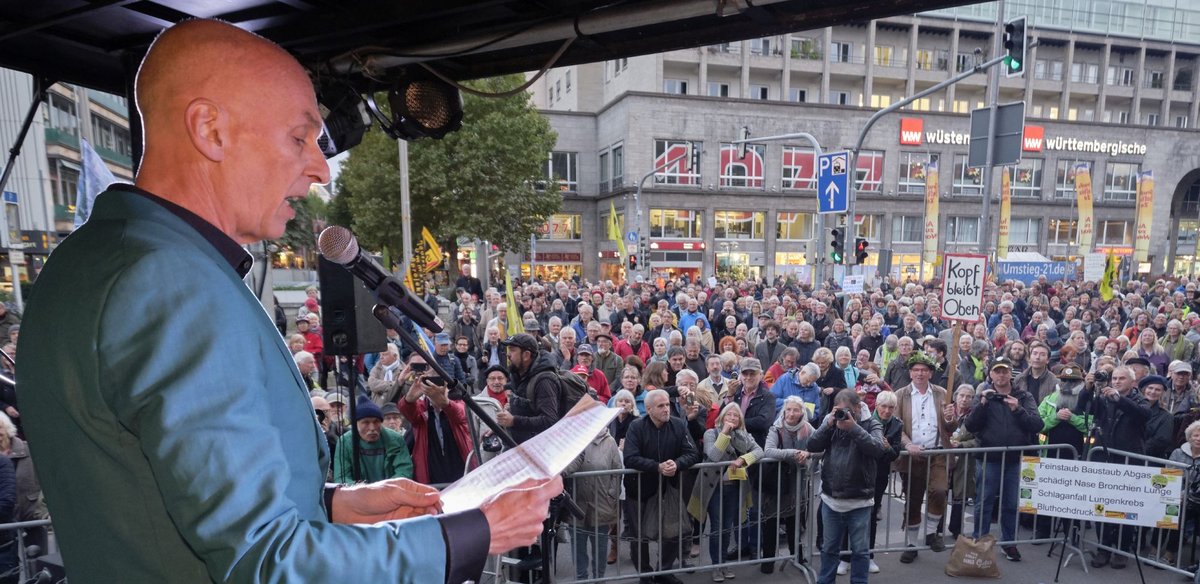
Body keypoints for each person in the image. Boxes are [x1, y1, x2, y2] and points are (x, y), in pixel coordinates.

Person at [16, 19, 560, 583]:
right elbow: (269, 563)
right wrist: (473, 533)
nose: (320, 169)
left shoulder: (83, 261)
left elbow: (151, 491)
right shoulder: (172, 283)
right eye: (298, 138)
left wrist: (331, 504)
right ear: (210, 129)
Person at [964, 357, 1041, 563]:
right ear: (991, 375)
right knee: (984, 502)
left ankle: (1009, 543)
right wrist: (982, 404)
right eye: (997, 371)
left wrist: (1018, 410)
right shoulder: (984, 396)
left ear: (1010, 374)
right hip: (989, 459)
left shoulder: (1024, 396)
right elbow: (970, 425)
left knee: (1011, 503)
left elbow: (1037, 424)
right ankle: (979, 542)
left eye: (1004, 371)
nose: (1001, 375)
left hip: (1015, 460)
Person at [806, 389, 887, 584]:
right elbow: (812, 445)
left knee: (860, 551)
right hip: (831, 499)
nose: (844, 414)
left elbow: (877, 449)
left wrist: (853, 428)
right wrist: (828, 424)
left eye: (848, 410)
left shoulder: (871, 423)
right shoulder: (832, 423)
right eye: (839, 410)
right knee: (829, 548)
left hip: (860, 500)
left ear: (858, 407)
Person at [623, 389, 701, 584]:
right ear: (648, 409)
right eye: (661, 406)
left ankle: (664, 571)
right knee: (638, 536)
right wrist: (657, 467)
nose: (666, 409)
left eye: (667, 404)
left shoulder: (678, 424)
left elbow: (692, 453)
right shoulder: (636, 427)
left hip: (669, 489)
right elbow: (630, 457)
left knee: (672, 532)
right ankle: (645, 574)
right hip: (639, 490)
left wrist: (677, 464)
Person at [892, 352, 954, 563]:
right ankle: (911, 544)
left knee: (939, 490)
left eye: (924, 370)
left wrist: (950, 419)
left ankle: (930, 533)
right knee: (913, 499)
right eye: (916, 370)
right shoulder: (900, 394)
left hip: (937, 452)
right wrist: (908, 444)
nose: (919, 373)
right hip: (912, 455)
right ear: (910, 373)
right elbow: (895, 426)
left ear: (930, 373)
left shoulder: (941, 393)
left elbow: (951, 427)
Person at [691, 402, 763, 582]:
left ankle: (724, 563)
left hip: (734, 487)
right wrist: (724, 433)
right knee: (717, 527)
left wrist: (743, 459)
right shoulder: (711, 433)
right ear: (722, 417)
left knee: (727, 527)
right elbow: (713, 455)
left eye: (736, 415)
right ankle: (716, 565)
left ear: (740, 420)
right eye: (729, 415)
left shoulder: (744, 436)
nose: (732, 418)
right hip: (713, 488)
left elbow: (759, 451)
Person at [760, 396, 813, 575]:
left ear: (801, 412)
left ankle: (797, 556)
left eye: (795, 410)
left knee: (795, 520)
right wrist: (794, 453)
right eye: (788, 409)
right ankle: (767, 560)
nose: (791, 413)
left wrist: (808, 454)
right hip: (777, 482)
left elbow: (818, 447)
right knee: (771, 520)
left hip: (798, 482)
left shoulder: (808, 428)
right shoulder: (776, 428)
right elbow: (768, 450)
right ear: (784, 411)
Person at [563, 429, 623, 582]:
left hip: (601, 503)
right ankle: (582, 580)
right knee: (578, 548)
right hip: (576, 503)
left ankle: (599, 579)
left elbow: (617, 471)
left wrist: (611, 495)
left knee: (600, 549)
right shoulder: (574, 438)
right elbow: (565, 468)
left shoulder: (609, 442)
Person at [398, 369, 476, 485]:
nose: (434, 391)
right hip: (431, 475)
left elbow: (460, 414)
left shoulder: (458, 403)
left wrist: (444, 402)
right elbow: (407, 411)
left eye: (439, 385)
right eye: (430, 386)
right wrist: (409, 398)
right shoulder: (422, 410)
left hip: (461, 473)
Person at [496, 333, 561, 443]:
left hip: (540, 449)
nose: (508, 355)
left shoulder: (544, 381)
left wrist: (514, 421)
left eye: (512, 350)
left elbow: (550, 420)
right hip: (519, 444)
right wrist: (498, 428)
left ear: (526, 355)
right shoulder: (519, 374)